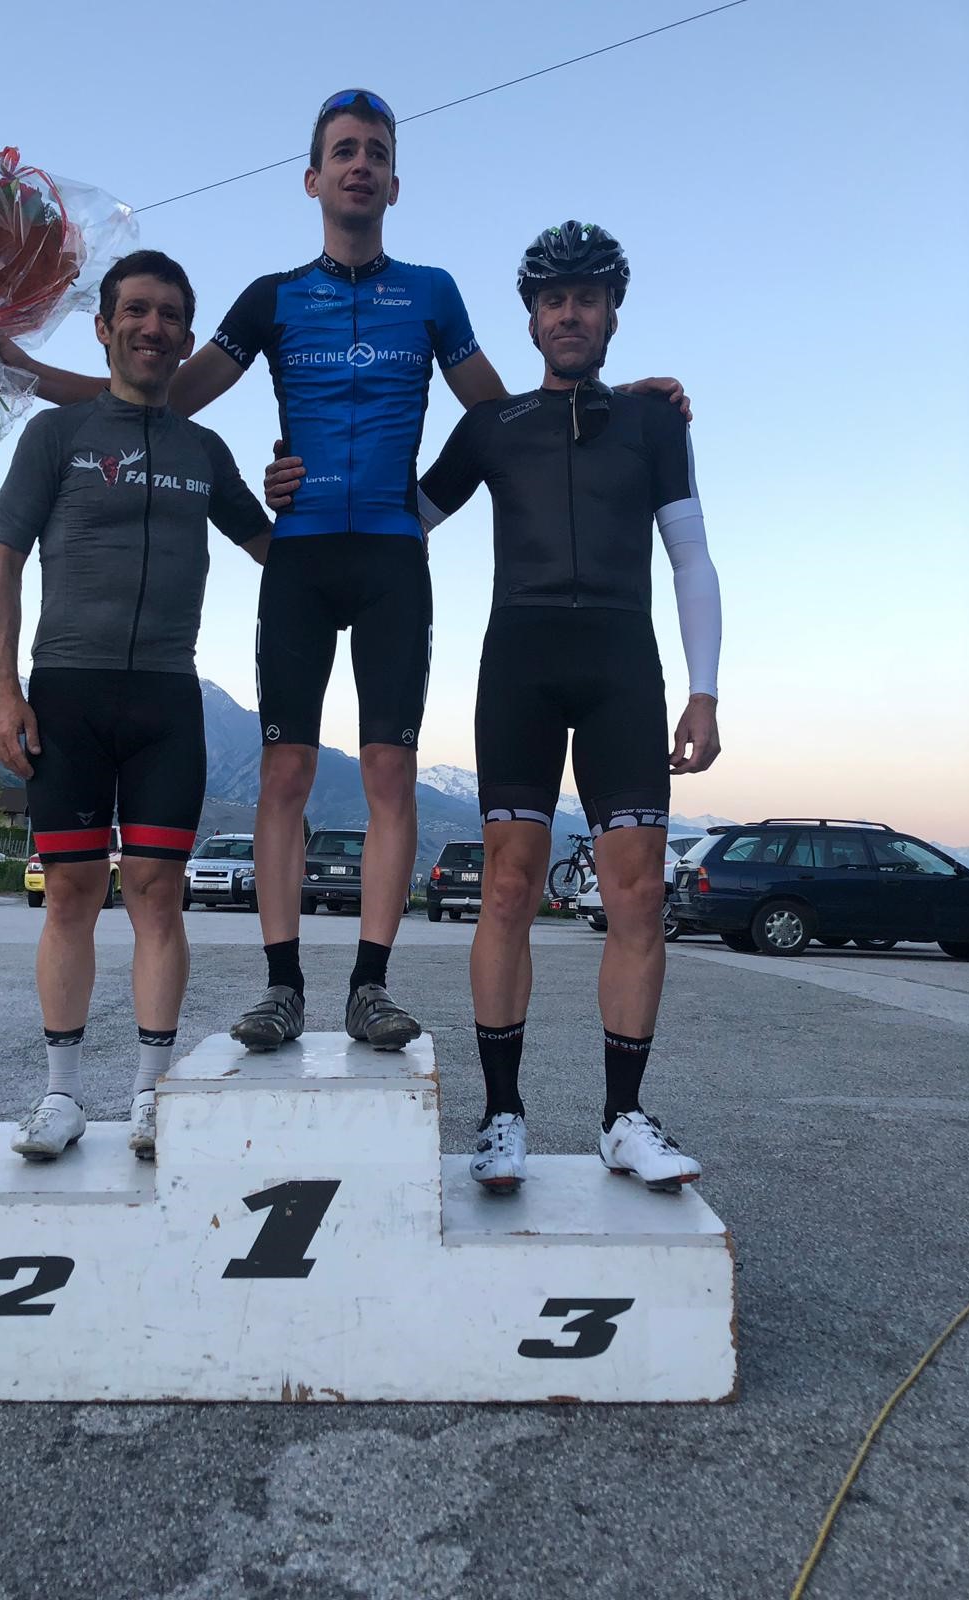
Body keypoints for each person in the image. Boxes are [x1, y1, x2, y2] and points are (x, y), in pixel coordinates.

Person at [0, 94, 687, 1056]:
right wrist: (15, 364)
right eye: (344, 152)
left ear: (395, 183)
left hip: (393, 557)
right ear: (313, 179)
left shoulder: (431, 293)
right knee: (287, 771)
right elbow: (155, 401)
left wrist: (607, 395)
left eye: (377, 153)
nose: (361, 165)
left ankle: (369, 986)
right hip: (302, 557)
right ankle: (283, 986)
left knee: (390, 772)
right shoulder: (271, 297)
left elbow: (505, 419)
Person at [268, 222, 721, 1194]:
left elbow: (690, 555)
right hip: (518, 661)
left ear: (612, 313)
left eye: (587, 297)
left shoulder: (655, 424)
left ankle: (623, 1119)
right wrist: (304, 479)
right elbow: (401, 516)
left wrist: (704, 690)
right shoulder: (492, 427)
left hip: (623, 663)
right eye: (554, 300)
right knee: (508, 888)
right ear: (530, 319)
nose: (570, 314)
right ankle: (501, 1114)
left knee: (639, 894)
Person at [0, 249, 270, 1161]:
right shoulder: (57, 435)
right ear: (103, 327)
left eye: (170, 315)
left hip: (166, 700)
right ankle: (61, 1096)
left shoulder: (204, 451)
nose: (153, 327)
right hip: (66, 691)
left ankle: (151, 1095)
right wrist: (5, 691)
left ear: (186, 337)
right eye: (136, 311)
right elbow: (3, 561)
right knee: (70, 892)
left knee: (156, 894)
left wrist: (317, 500)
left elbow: (273, 547)